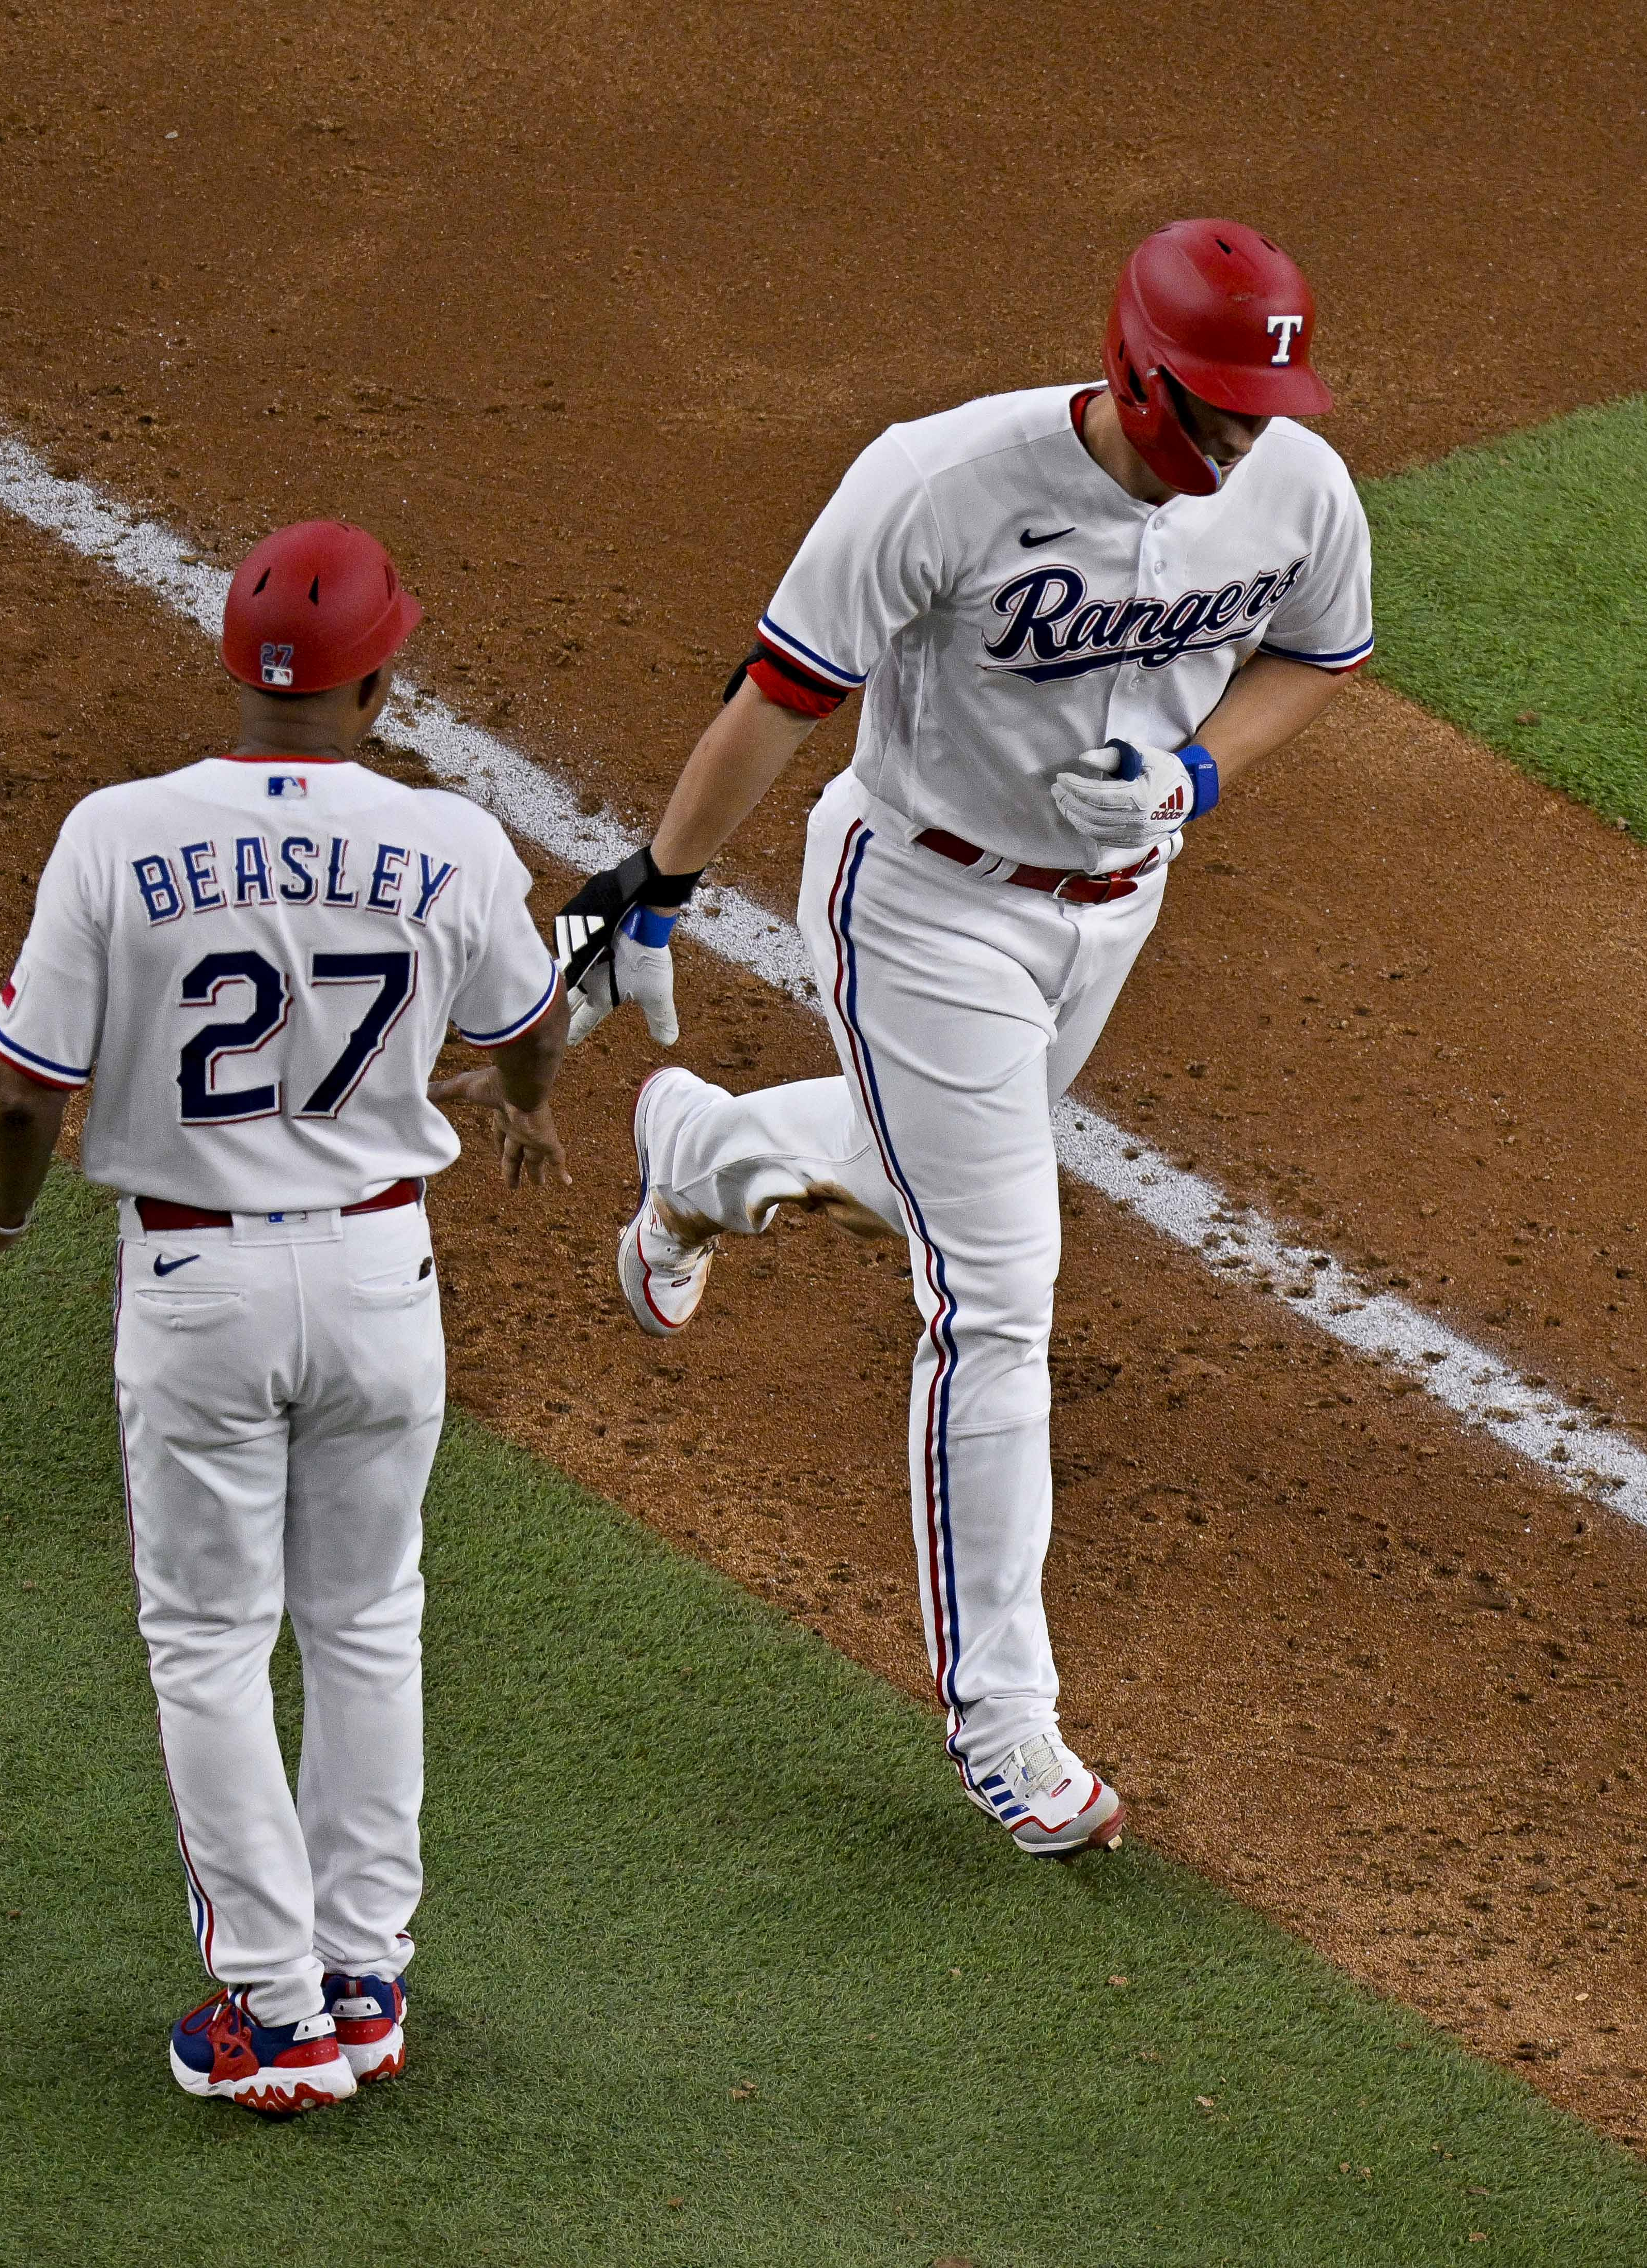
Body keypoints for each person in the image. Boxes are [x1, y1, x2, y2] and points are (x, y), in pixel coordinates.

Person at [548, 218, 1372, 1856]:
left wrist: (1193, 777)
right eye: (1206, 409)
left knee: (917, 1175)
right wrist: (658, 887)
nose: (1233, 443)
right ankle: (1002, 1721)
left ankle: (705, 1155)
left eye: (1255, 412)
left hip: (1114, 908)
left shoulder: (1296, 484)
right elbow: (780, 696)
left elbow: (1319, 655)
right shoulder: (939, 481)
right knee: (995, 1292)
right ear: (1131, 369)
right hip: (921, 907)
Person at [0, 519, 570, 2113]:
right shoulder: (454, 838)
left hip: (196, 1280)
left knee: (210, 1642)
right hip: (378, 1275)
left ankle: (276, 2016)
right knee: (368, 1623)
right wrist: (525, 1104)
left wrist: (4, 1209)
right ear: (386, 682)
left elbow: (25, 1088)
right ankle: (360, 1975)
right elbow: (534, 1022)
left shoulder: (114, 833)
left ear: (235, 666)